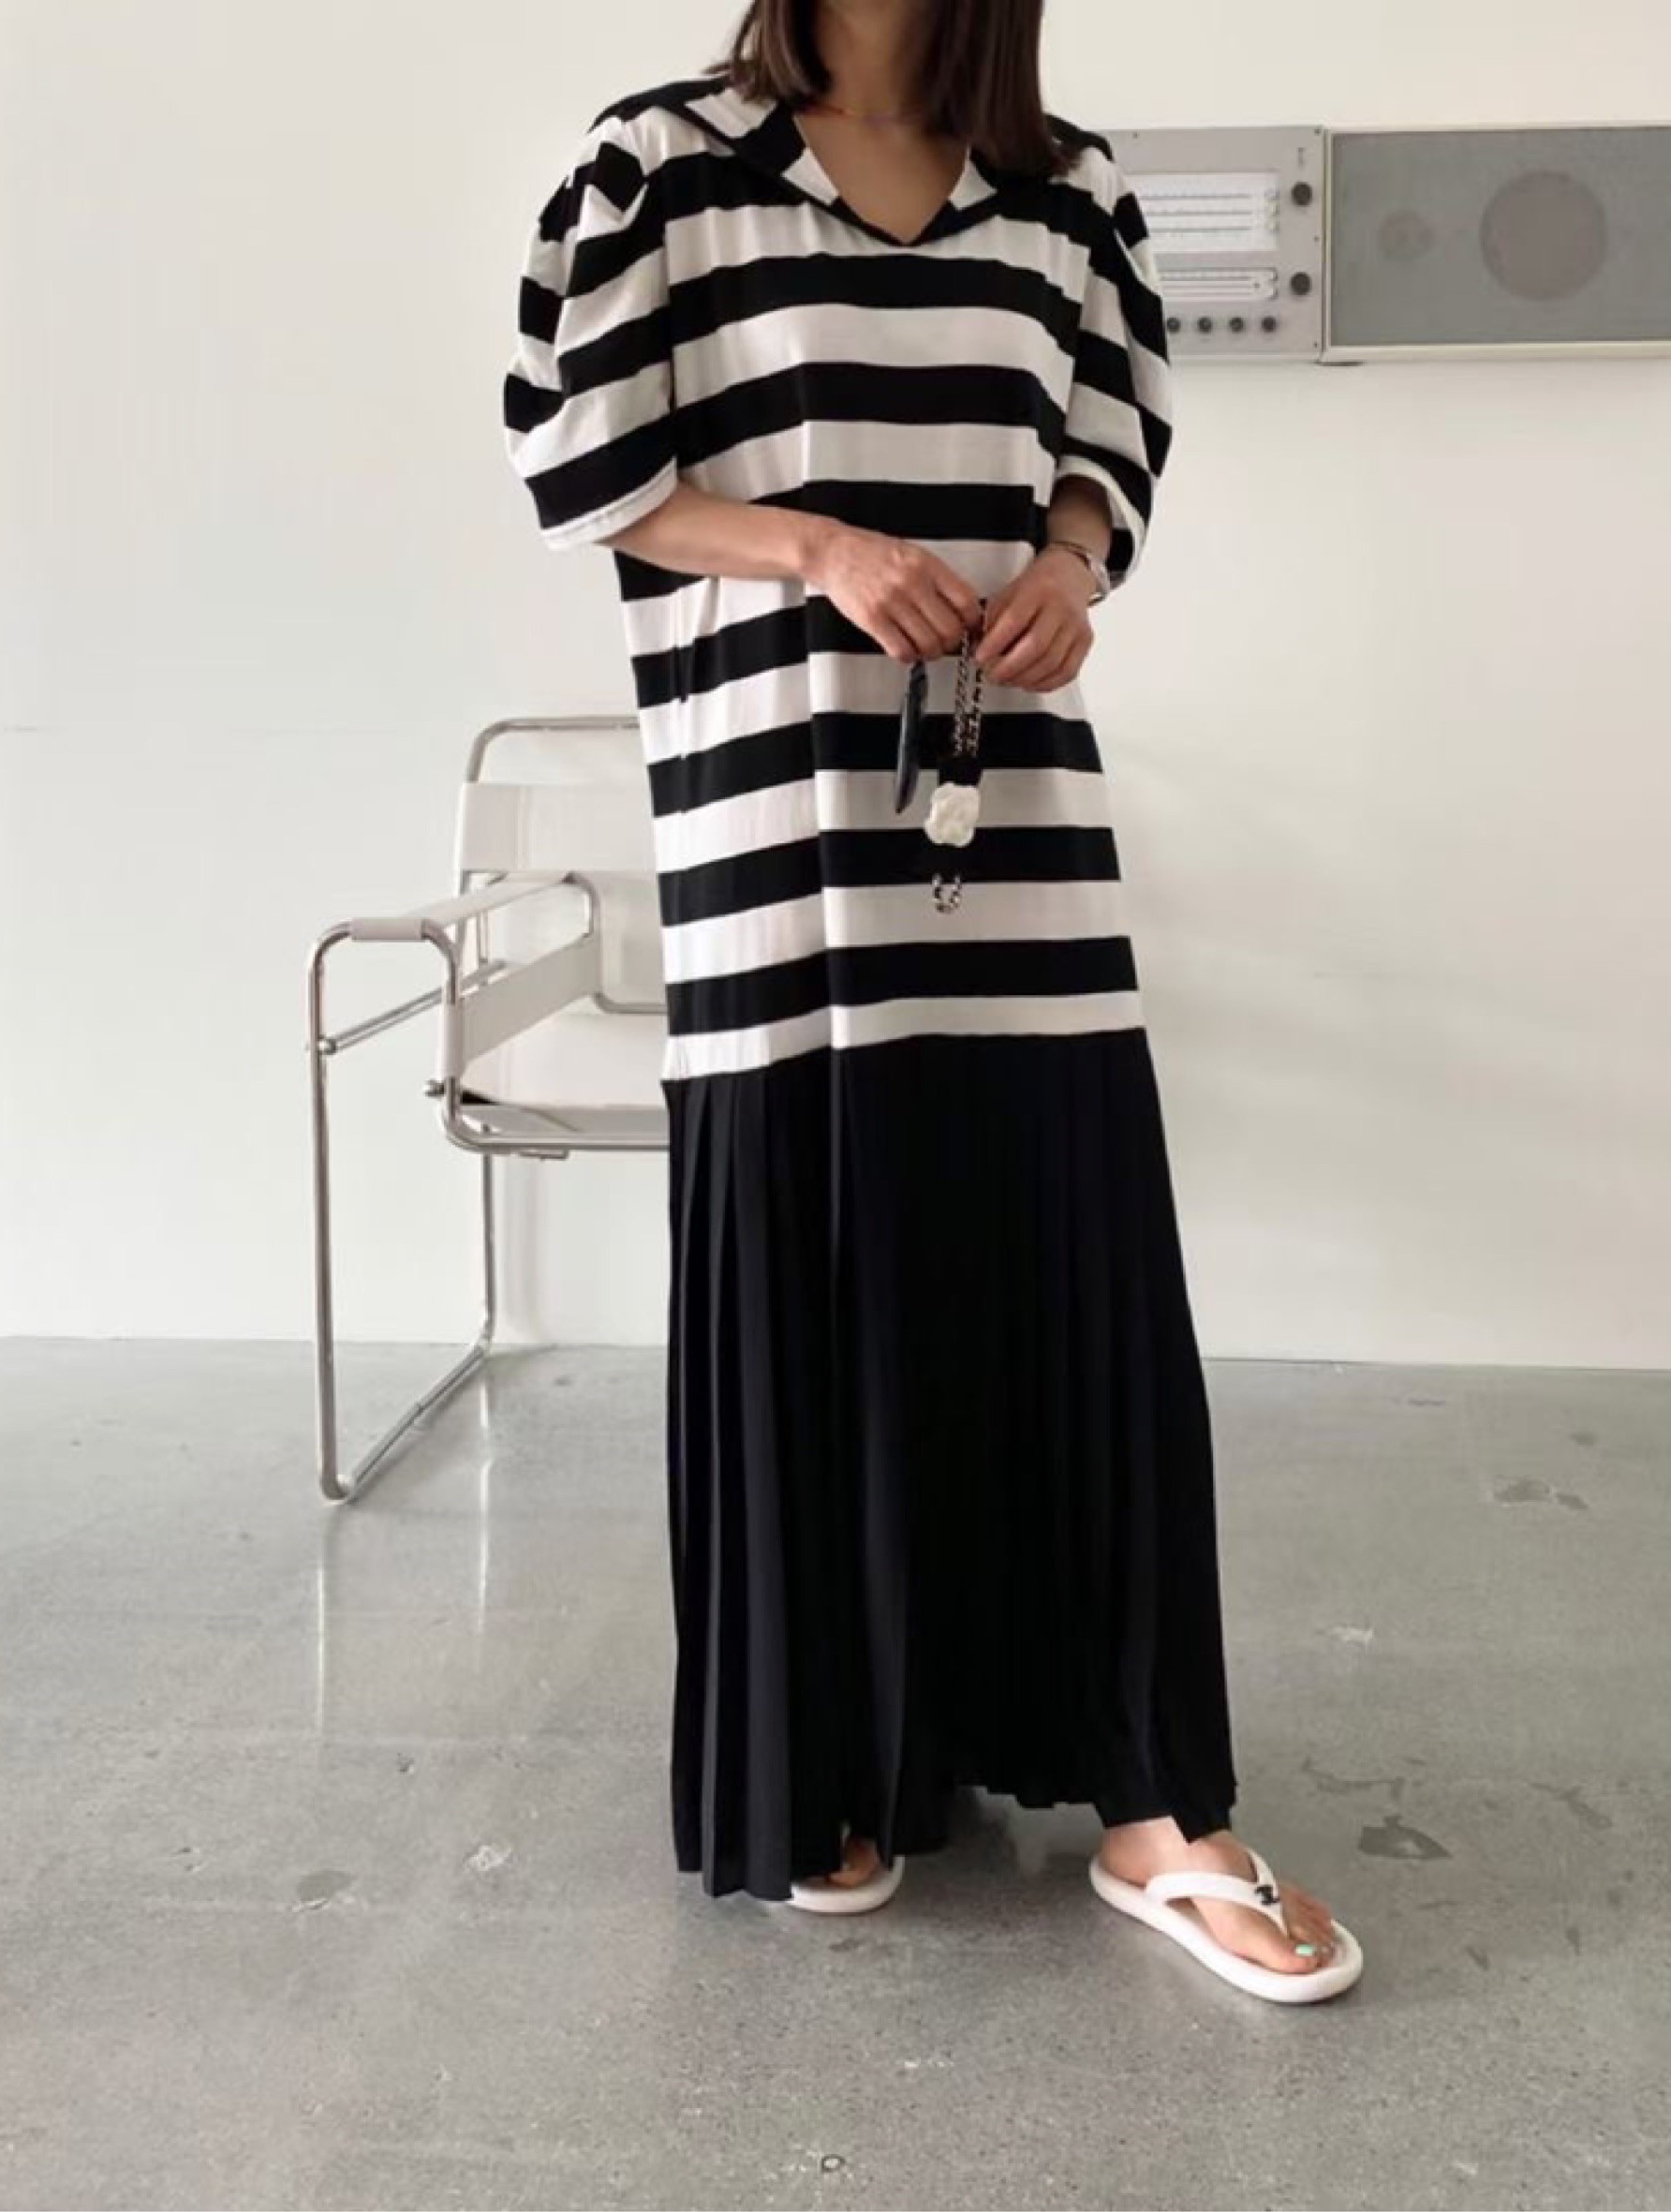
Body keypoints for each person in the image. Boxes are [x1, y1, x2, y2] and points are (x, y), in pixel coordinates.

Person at [503, 0, 1359, 2002]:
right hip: (775, 820)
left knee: (1069, 1268)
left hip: (1013, 814)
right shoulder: (661, 168)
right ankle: (834, 1759)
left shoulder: (1068, 194)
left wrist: (1072, 567)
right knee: (823, 1260)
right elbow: (580, 457)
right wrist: (816, 545)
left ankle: (1153, 1799)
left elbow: (1107, 448)